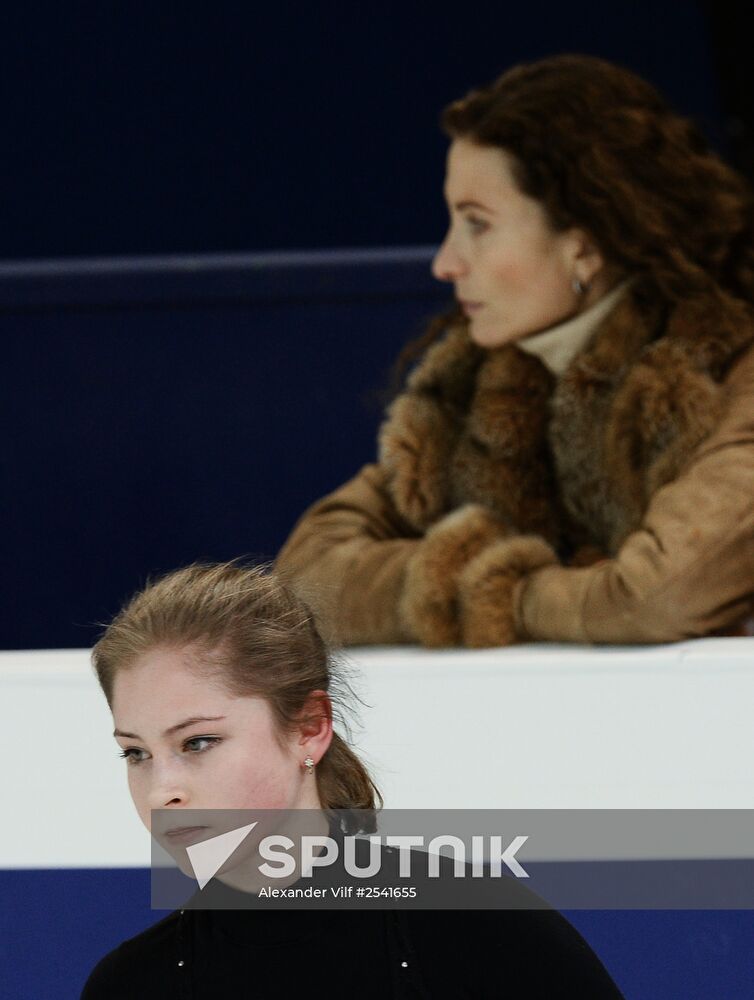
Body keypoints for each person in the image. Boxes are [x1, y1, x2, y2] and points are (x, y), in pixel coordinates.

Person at [275, 53, 754, 648]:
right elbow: (303, 581)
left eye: (476, 223)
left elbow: (658, 595)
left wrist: (497, 592)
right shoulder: (487, 381)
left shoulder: (733, 369)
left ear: (584, 247)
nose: (445, 263)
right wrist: (456, 578)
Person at [80, 561, 623, 998]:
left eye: (198, 742)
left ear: (310, 729)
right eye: (135, 753)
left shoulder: (484, 929)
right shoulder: (129, 984)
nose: (161, 791)